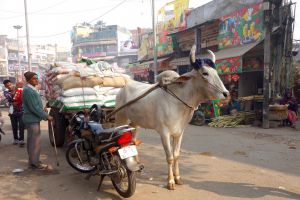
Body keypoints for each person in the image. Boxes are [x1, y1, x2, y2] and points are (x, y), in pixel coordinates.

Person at [22, 72, 53, 170]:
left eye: (37, 78)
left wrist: (43, 107)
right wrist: (46, 116)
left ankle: (33, 161)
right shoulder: (28, 90)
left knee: (33, 142)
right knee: (34, 143)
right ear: (29, 80)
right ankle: (35, 164)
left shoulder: (31, 89)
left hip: (33, 119)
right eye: (35, 78)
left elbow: (36, 104)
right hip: (32, 120)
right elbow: (34, 107)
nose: (37, 80)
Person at [3, 80, 25, 146]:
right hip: (12, 111)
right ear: (5, 86)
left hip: (21, 110)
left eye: (9, 85)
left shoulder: (19, 90)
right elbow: (8, 100)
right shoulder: (6, 92)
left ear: (11, 83)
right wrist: (13, 102)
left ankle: (21, 140)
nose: (9, 86)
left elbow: (23, 98)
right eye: (7, 86)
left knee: (21, 125)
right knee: (14, 126)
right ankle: (15, 139)